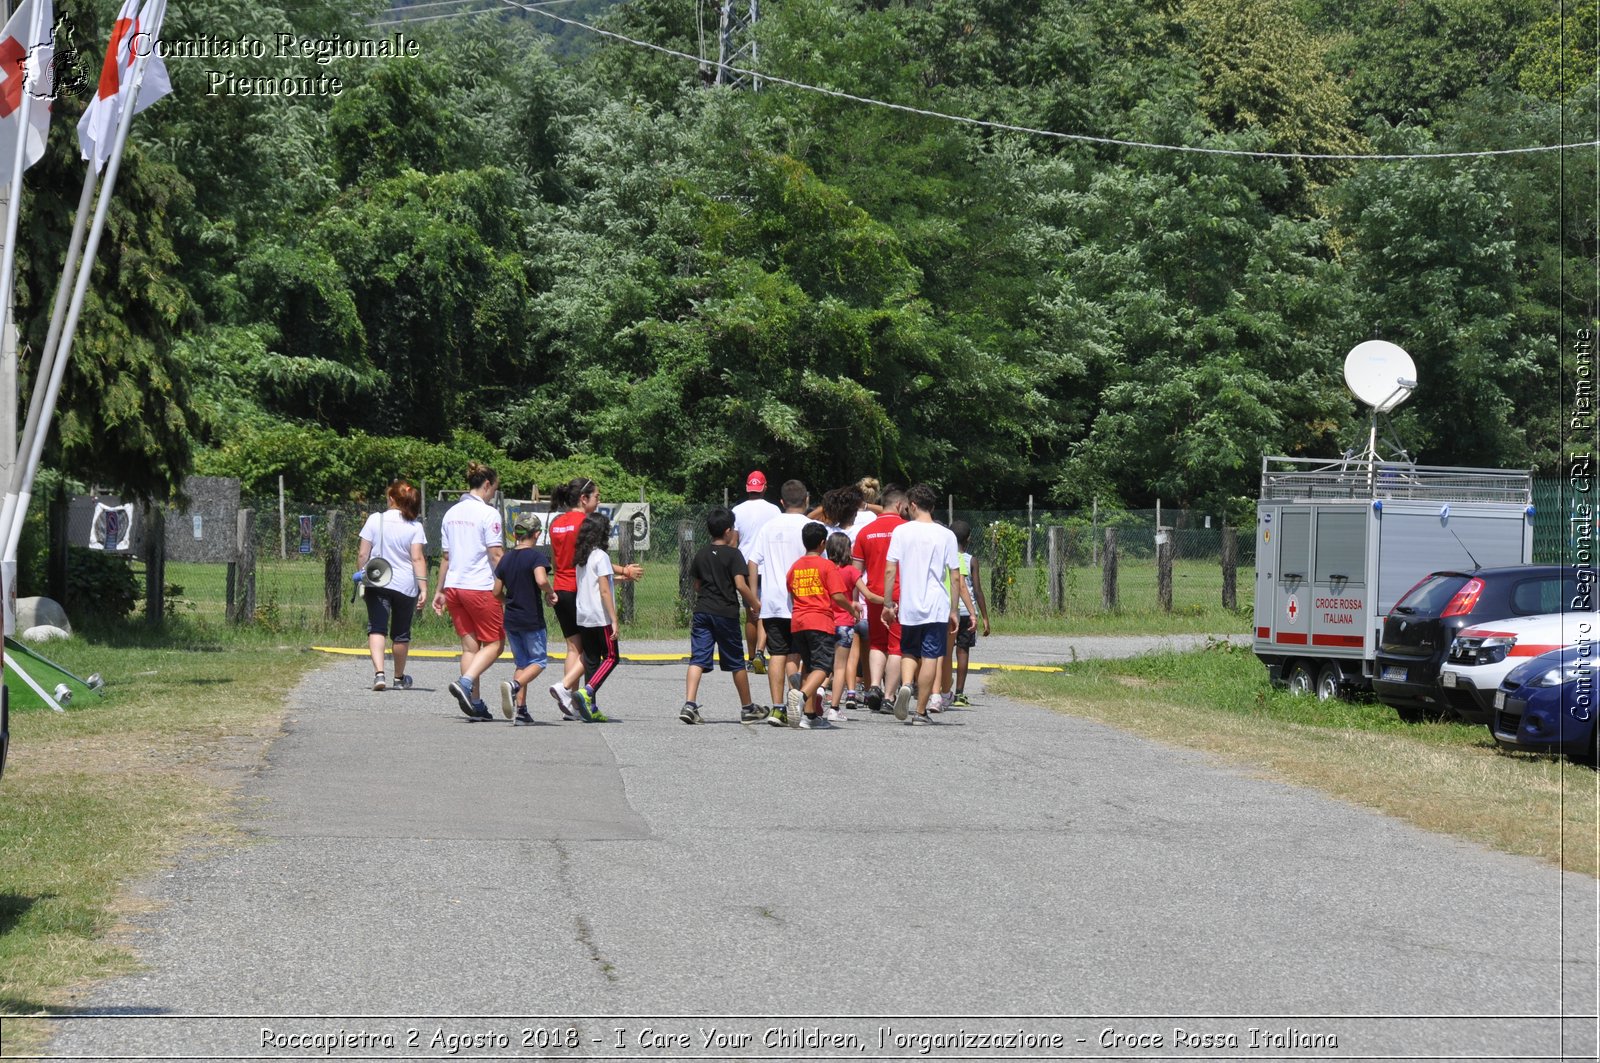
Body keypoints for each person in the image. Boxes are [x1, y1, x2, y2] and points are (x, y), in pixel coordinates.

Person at [546, 478, 642, 719]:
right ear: (583, 499)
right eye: (597, 497)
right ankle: (570, 692)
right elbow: (594, 560)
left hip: (559, 587)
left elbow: (557, 560)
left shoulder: (556, 523)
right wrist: (625, 571)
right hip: (578, 590)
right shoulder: (585, 523)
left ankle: (570, 705)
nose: (599, 502)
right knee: (590, 653)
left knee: (572, 648)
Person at [882, 484, 977, 724]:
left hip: (909, 605)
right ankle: (921, 711)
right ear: (932, 507)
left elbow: (890, 569)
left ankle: (905, 684)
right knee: (931, 656)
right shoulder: (945, 535)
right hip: (936, 606)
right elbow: (955, 576)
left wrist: (887, 603)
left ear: (912, 505)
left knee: (909, 651)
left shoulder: (902, 532)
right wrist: (954, 610)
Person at [432, 462, 504, 721]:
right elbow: (496, 555)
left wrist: (439, 590)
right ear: (486, 485)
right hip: (480, 587)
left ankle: (474, 703)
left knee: (470, 648)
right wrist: (509, 583)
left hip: (454, 587)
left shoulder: (451, 513)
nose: (493, 494)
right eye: (494, 489)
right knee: (495, 643)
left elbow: (446, 557)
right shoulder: (488, 514)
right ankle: (465, 683)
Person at [681, 507, 762, 724]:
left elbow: (697, 585)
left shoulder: (701, 554)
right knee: (736, 661)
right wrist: (755, 603)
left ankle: (689, 704)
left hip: (702, 611)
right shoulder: (734, 555)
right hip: (726, 613)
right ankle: (747, 707)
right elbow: (740, 585)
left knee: (698, 658)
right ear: (728, 531)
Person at [776, 521, 857, 729]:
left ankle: (809, 716)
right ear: (823, 544)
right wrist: (851, 609)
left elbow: (791, 591)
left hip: (798, 621)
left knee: (809, 667)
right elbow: (837, 595)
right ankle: (801, 696)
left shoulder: (795, 566)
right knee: (823, 666)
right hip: (820, 621)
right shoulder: (826, 565)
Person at [743, 479, 814, 717]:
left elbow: (753, 561)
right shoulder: (810, 526)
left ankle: (777, 708)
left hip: (772, 601)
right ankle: (797, 699)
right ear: (806, 500)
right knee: (797, 653)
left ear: (781, 502)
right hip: (802, 601)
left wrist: (754, 596)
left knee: (777, 653)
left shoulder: (769, 527)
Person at [354, 480, 428, 692]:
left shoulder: (375, 519)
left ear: (393, 498)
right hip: (406, 585)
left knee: (377, 627)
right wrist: (423, 588)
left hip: (377, 580)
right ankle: (398, 677)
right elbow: (417, 558)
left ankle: (379, 674)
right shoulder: (415, 526)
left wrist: (364, 575)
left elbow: (362, 553)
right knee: (401, 633)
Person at [852, 485, 908, 712]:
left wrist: (855, 598)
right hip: (900, 595)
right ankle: (888, 696)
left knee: (877, 642)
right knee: (896, 647)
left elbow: (856, 570)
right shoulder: (907, 529)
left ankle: (873, 685)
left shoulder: (865, 532)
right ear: (899, 505)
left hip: (874, 595)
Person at [492, 514, 552, 725]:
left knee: (522, 662)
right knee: (539, 661)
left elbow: (496, 591)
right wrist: (549, 592)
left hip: (512, 619)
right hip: (531, 619)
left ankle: (522, 711)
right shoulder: (536, 557)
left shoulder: (506, 559)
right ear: (536, 534)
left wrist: (506, 602)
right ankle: (513, 686)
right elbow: (541, 579)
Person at [565, 512, 622, 722]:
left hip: (584, 614)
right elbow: (605, 590)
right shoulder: (601, 556)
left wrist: (622, 579)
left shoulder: (582, 556)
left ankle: (590, 706)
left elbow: (597, 582)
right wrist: (614, 619)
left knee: (591, 660)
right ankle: (587, 691)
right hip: (600, 616)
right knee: (612, 657)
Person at [731, 470, 780, 673]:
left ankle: (751, 658)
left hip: (744, 567)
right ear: (764, 487)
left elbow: (734, 542)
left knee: (751, 613)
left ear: (747, 488)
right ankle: (762, 653)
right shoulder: (774, 510)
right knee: (766, 613)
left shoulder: (737, 510)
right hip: (767, 566)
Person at [824, 531, 864, 720]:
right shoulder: (851, 571)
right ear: (847, 549)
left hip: (825, 622)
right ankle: (834, 708)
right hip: (845, 624)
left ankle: (818, 691)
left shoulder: (824, 569)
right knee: (840, 667)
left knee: (822, 664)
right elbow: (867, 594)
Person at [949, 519, 989, 707]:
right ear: (969, 539)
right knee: (963, 651)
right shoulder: (971, 560)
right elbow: (978, 590)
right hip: (967, 611)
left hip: (950, 609)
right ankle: (959, 693)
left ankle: (942, 690)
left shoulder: (945, 556)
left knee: (946, 652)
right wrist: (985, 617)